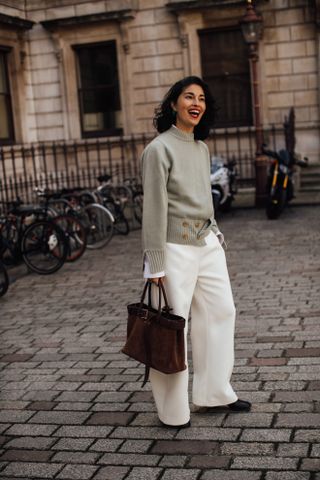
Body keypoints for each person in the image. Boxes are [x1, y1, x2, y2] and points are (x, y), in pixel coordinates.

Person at [141, 76, 251, 428]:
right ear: (174, 104)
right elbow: (154, 210)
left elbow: (204, 198)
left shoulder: (201, 148)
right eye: (189, 96)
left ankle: (214, 392)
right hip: (174, 248)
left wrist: (215, 232)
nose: (196, 103)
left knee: (222, 311)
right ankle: (173, 412)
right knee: (172, 327)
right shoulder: (158, 149)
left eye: (201, 98)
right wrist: (154, 262)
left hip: (206, 243)